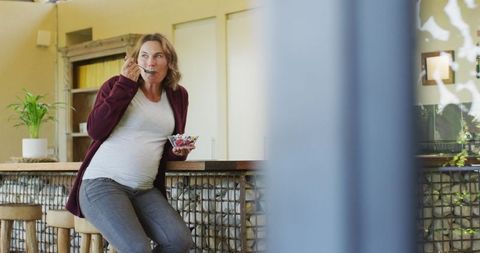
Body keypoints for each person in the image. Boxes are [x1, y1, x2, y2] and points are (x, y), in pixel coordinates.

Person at [65, 33, 194, 253]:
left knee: (179, 241)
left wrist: (179, 151)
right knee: (137, 248)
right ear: (135, 60)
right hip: (102, 184)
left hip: (144, 190)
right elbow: (95, 129)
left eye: (158, 56)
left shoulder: (178, 95)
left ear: (169, 61)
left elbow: (166, 150)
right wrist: (125, 84)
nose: (150, 62)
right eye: (144, 56)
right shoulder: (116, 85)